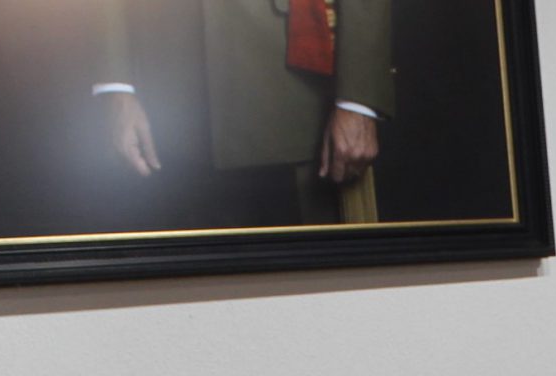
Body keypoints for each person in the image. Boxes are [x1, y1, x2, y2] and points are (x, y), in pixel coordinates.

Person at [95, 0, 395, 227]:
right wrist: (115, 85)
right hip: (167, 99)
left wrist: (358, 98)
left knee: (315, 281)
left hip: (295, 101)